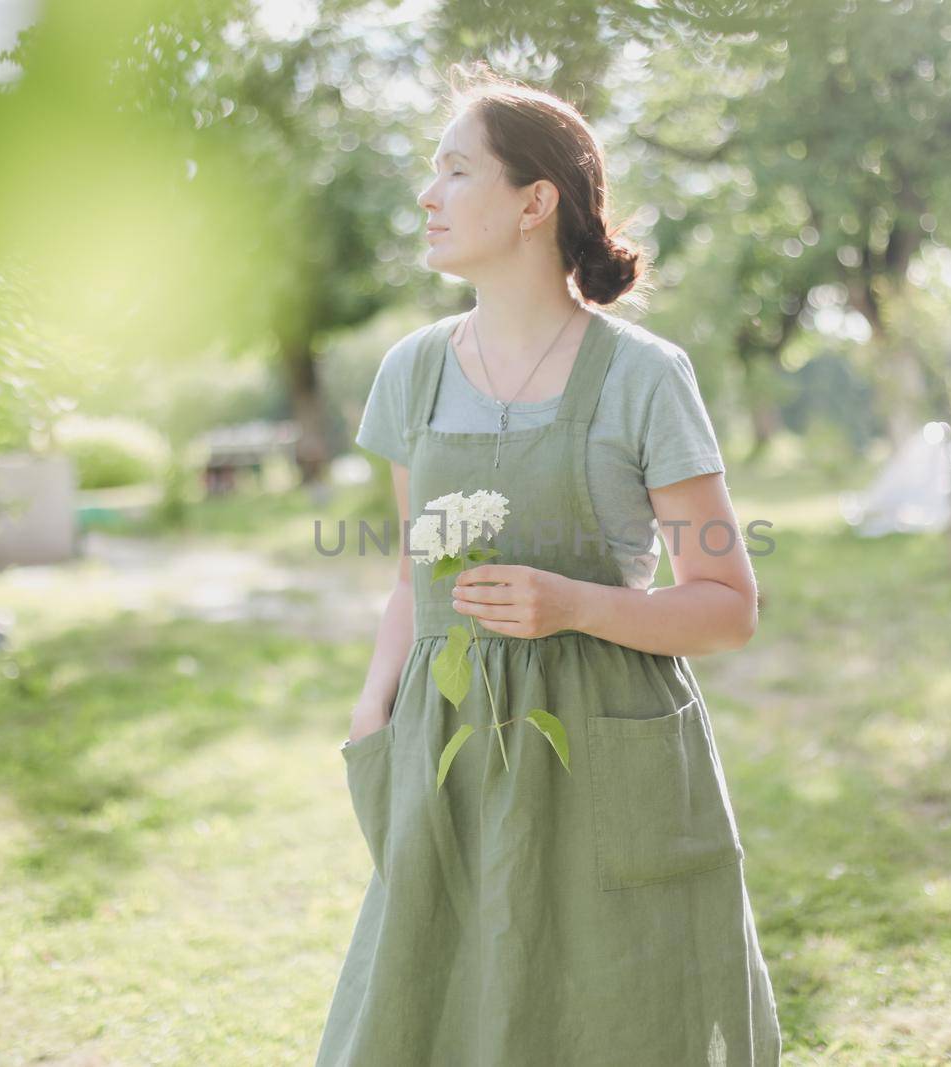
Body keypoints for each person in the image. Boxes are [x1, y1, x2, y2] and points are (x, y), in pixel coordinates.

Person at [317, 63, 782, 1066]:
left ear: (535, 200)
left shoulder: (644, 377)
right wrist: (373, 707)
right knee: (429, 1005)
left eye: (453, 170)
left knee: (619, 1007)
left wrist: (570, 601)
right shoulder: (412, 370)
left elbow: (727, 606)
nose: (426, 195)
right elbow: (412, 570)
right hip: (448, 740)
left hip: (605, 746)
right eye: (428, 174)